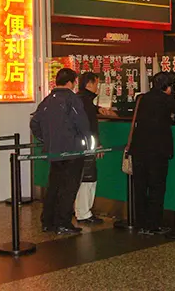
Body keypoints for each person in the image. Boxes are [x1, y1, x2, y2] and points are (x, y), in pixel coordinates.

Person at [30, 68, 92, 235]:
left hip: (54, 152)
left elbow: (34, 123)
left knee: (54, 186)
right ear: (71, 82)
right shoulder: (72, 99)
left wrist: (45, 139)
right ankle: (63, 222)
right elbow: (82, 124)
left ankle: (48, 221)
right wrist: (89, 144)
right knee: (69, 187)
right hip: (72, 150)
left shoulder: (47, 100)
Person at [129, 72, 175, 235]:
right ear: (167, 87)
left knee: (140, 187)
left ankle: (141, 223)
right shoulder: (166, 100)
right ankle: (153, 224)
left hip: (139, 150)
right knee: (156, 188)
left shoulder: (143, 98)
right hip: (157, 152)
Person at [75, 72, 116, 225]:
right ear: (89, 84)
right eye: (96, 84)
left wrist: (98, 109)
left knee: (85, 178)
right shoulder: (85, 102)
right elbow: (90, 127)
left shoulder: (82, 100)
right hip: (87, 146)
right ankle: (84, 212)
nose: (98, 87)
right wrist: (97, 144)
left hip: (79, 145)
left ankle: (81, 211)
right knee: (88, 178)